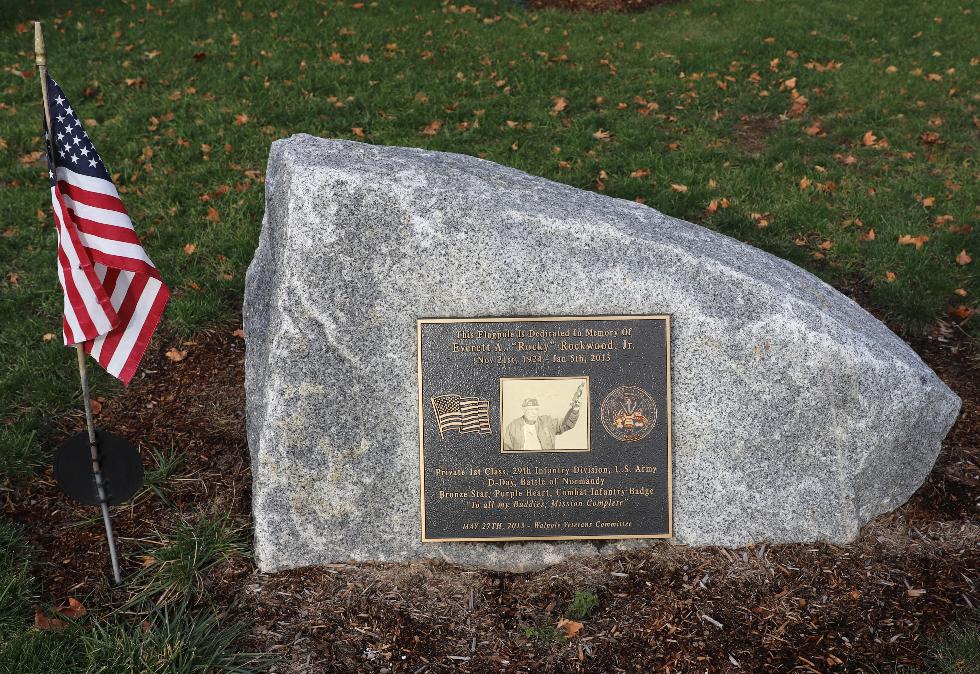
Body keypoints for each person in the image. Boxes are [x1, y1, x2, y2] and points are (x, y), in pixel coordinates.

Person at [503, 383, 583, 451]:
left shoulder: (547, 422)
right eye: (530, 409)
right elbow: (506, 450)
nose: (534, 412)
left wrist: (575, 410)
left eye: (536, 409)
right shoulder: (513, 426)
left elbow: (566, 424)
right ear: (524, 410)